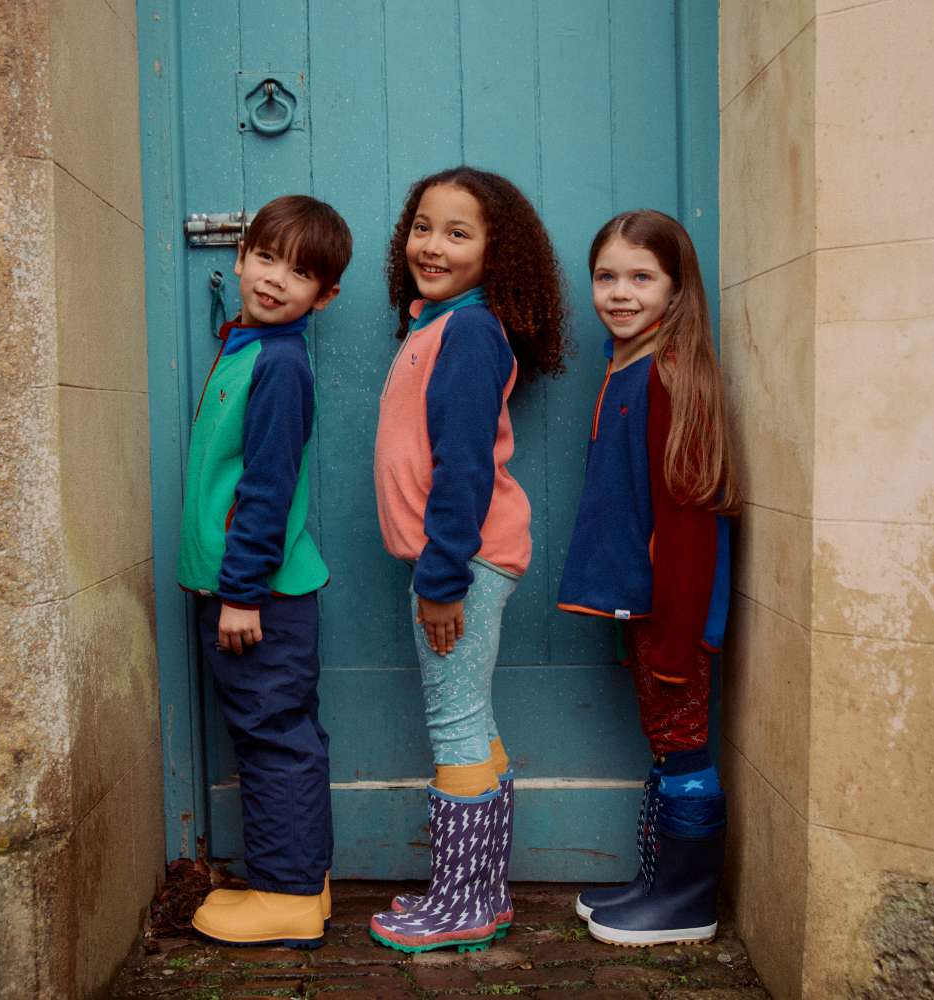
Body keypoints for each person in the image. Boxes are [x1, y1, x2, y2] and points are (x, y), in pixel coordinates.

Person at [369, 167, 568, 954]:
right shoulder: (436, 324)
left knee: (453, 725)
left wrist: (442, 578)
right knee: (471, 721)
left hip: (462, 562)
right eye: (423, 226)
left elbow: (465, 467)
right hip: (459, 560)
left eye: (458, 233)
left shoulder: (472, 332)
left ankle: (460, 907)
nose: (432, 245)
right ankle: (481, 893)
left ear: (498, 252)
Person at [557, 209, 738, 947]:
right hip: (648, 611)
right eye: (606, 276)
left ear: (676, 288)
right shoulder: (627, 363)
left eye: (641, 277)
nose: (620, 292)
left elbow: (691, 523)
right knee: (665, 744)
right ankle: (659, 881)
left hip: (677, 619)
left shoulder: (670, 376)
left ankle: (688, 902)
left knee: (684, 743)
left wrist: (675, 640)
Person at [178, 195, 352, 948]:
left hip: (258, 599)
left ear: (327, 295)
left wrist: (242, 596)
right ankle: (303, 884)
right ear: (241, 255)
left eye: (302, 272)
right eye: (267, 257)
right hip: (246, 592)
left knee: (272, 734)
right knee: (279, 731)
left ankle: (283, 894)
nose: (277, 279)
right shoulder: (250, 346)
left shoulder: (280, 365)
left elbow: (267, 490)